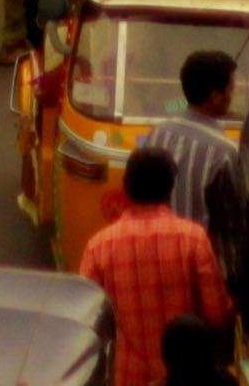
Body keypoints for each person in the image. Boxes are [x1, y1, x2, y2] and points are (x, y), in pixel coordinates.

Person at [81, 146, 232, 386]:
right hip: (187, 377)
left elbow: (86, 322)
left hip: (127, 378)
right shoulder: (193, 239)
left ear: (126, 187)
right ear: (170, 189)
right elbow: (216, 313)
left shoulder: (99, 247)